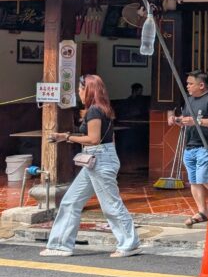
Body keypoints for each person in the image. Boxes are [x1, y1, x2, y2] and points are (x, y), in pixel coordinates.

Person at [40, 74, 140, 258]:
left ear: (88, 89)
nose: (78, 92)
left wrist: (66, 137)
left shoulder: (94, 111)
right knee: (71, 201)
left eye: (80, 89)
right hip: (97, 159)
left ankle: (129, 243)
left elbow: (93, 139)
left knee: (111, 204)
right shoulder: (104, 109)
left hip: (98, 159)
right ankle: (60, 245)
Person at [170, 70, 208, 228]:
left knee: (204, 178)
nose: (187, 86)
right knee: (194, 180)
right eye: (187, 83)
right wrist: (177, 120)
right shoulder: (189, 100)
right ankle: (202, 211)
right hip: (190, 145)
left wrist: (196, 121)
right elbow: (187, 121)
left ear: (201, 85)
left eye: (190, 83)